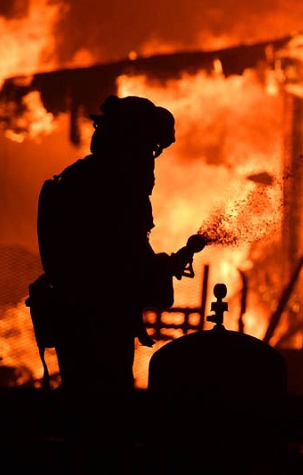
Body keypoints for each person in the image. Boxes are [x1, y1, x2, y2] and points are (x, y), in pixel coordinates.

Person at [36, 94, 203, 391]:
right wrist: (161, 268)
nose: (150, 160)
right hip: (98, 324)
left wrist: (160, 266)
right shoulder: (112, 191)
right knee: (104, 406)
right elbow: (119, 264)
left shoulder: (82, 180)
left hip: (79, 320)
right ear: (129, 144)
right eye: (148, 149)